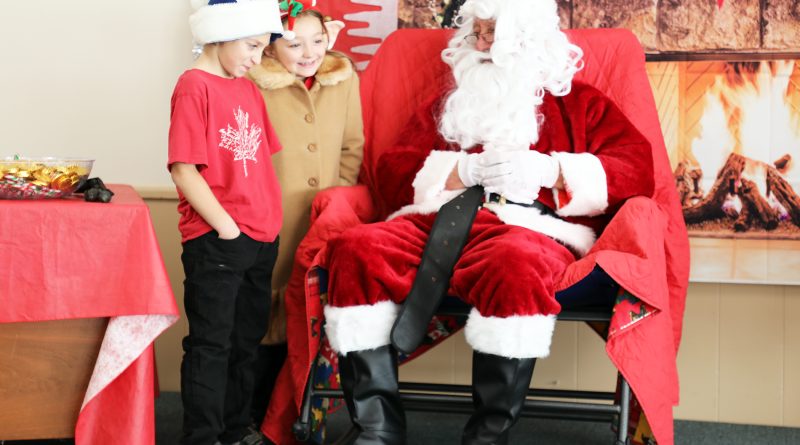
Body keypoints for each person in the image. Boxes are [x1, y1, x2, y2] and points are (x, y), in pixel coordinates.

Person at [320, 0, 656, 443]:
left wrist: (550, 171)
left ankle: (487, 436)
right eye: (475, 33)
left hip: (530, 229)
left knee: (516, 264)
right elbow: (393, 168)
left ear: (525, 38)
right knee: (356, 249)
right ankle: (377, 430)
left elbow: (636, 169)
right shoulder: (452, 105)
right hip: (436, 220)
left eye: (490, 34)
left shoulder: (580, 104)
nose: (479, 44)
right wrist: (460, 172)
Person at [168, 1, 284, 444]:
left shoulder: (248, 88)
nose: (257, 58)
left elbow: (257, 162)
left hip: (260, 236)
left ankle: (236, 431)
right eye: (252, 46)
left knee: (244, 344)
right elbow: (183, 168)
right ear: (221, 35)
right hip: (218, 238)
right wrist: (226, 227)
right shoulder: (193, 86)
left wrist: (264, 224)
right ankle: (203, 437)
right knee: (210, 346)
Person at [245, 0, 364, 428]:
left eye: (317, 41)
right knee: (263, 313)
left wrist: (339, 203)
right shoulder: (253, 84)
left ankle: (300, 416)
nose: (309, 52)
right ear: (272, 47)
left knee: (309, 312)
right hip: (269, 216)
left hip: (323, 219)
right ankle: (255, 419)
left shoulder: (342, 79)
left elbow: (352, 147)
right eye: (295, 44)